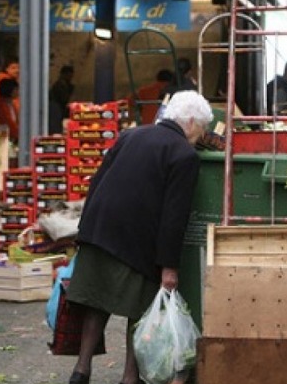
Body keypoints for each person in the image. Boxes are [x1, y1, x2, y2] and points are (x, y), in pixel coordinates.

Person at [65, 90, 213, 384]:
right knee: (141, 309)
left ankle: (81, 371)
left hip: (99, 229)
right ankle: (129, 378)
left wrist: (84, 231)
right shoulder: (184, 155)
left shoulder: (131, 135)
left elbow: (97, 181)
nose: (203, 134)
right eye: (203, 128)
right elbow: (175, 216)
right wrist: (169, 266)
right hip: (136, 239)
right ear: (192, 121)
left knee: (97, 301)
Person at [0, 78, 19, 143]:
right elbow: (8, 125)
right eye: (16, 89)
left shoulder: (11, 104)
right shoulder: (1, 106)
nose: (18, 91)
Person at [49, 65, 75, 134]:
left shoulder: (64, 85)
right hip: (56, 110)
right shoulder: (60, 86)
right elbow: (63, 99)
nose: (70, 78)